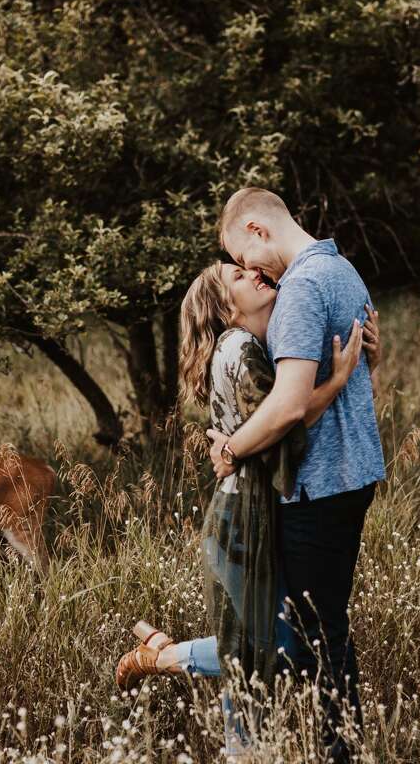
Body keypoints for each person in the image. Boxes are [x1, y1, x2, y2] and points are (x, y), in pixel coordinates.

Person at [114, 259, 380, 757]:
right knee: (263, 650)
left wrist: (360, 362)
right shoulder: (240, 348)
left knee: (254, 644)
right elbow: (284, 429)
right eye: (237, 276)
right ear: (224, 308)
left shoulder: (251, 347)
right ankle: (165, 658)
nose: (253, 273)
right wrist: (338, 381)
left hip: (248, 514)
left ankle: (240, 748)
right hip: (241, 521)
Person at [205, 186, 386, 763]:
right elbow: (349, 367)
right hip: (354, 473)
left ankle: (338, 752)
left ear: (258, 230)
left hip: (321, 481)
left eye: (244, 256)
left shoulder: (302, 286)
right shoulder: (342, 269)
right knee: (321, 628)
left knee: (313, 638)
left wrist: (231, 449)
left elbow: (287, 406)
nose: (251, 270)